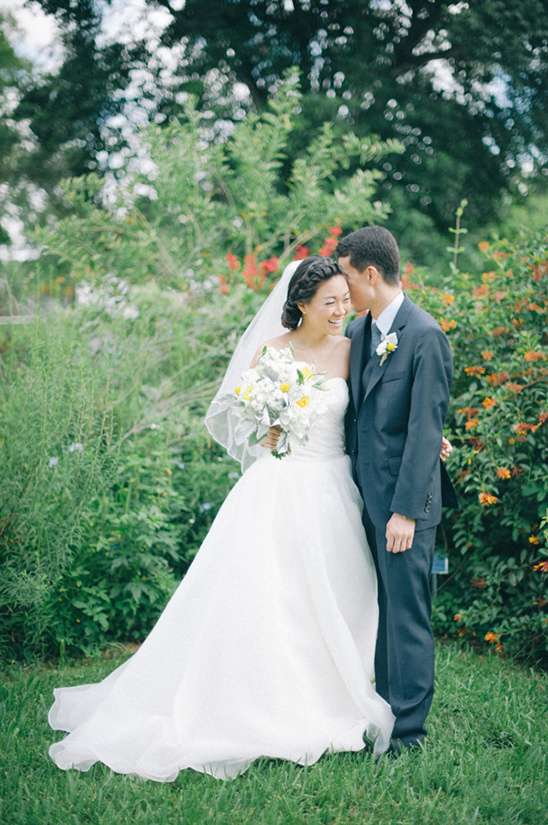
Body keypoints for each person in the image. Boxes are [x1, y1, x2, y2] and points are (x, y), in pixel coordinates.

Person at [48, 256, 396, 782]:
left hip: (332, 487)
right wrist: (270, 432)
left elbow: (376, 415)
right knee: (265, 595)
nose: (341, 310)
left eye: (345, 300)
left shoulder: (354, 350)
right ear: (300, 304)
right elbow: (253, 424)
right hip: (277, 486)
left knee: (341, 589)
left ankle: (338, 684)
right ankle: (260, 693)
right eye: (330, 302)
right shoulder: (271, 353)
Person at [336, 226, 458, 754]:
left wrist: (406, 512)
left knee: (406, 616)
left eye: (345, 276)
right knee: (378, 609)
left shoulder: (425, 334)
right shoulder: (363, 331)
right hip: (364, 496)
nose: (342, 290)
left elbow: (425, 427)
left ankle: (407, 734)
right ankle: (382, 714)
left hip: (406, 507)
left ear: (369, 273)